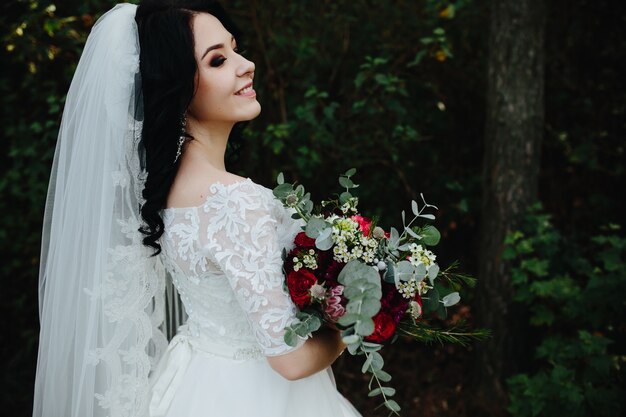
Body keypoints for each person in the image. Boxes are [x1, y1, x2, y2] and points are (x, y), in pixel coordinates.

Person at [32, 1, 361, 417]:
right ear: (178, 86)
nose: (247, 65)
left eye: (236, 49)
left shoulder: (164, 193)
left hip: (195, 380)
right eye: (218, 60)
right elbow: (290, 359)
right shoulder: (234, 201)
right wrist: (360, 318)